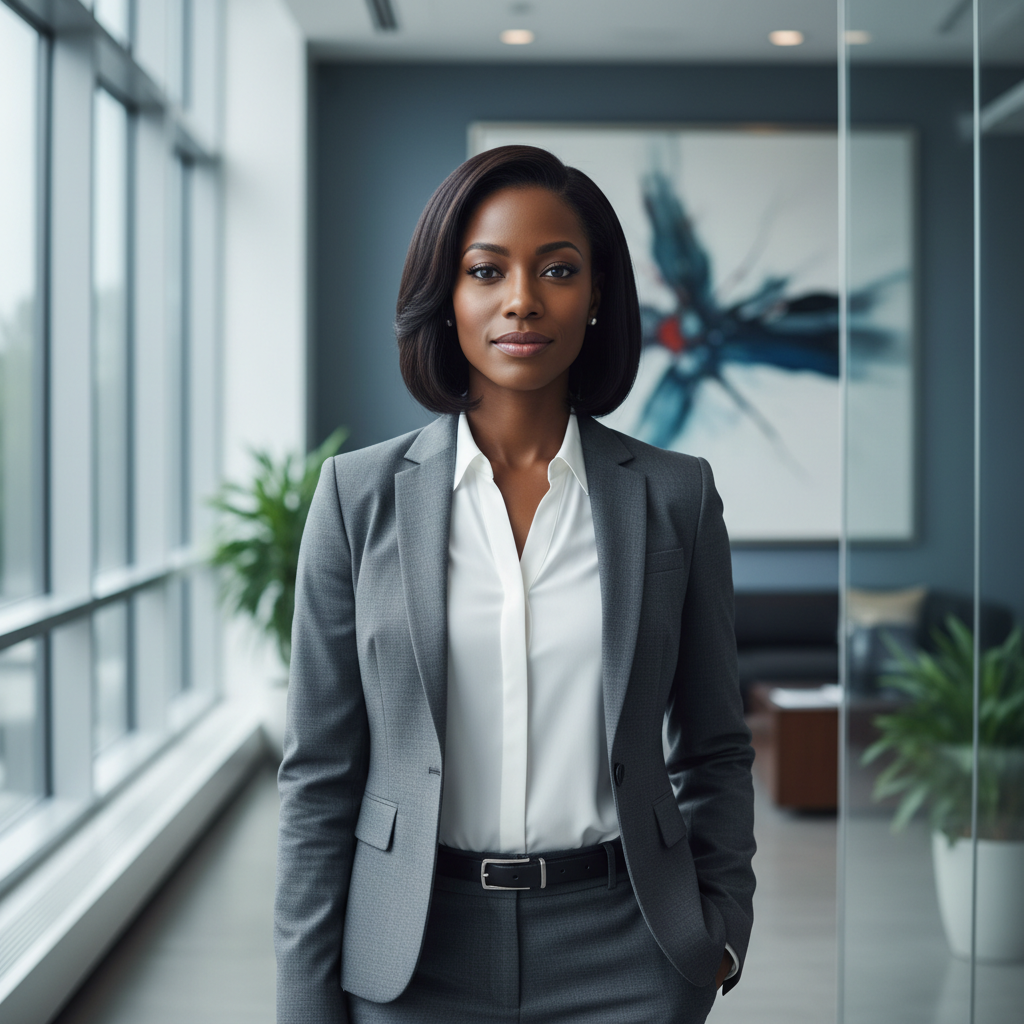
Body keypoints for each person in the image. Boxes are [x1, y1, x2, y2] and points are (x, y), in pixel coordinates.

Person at [275, 145, 755, 1024]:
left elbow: (715, 744)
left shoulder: (676, 498)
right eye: (486, 271)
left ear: (599, 295)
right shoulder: (357, 498)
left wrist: (719, 931)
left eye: (558, 270)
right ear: (447, 298)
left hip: (630, 948)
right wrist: (306, 1002)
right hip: (412, 949)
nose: (522, 299)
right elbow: (319, 776)